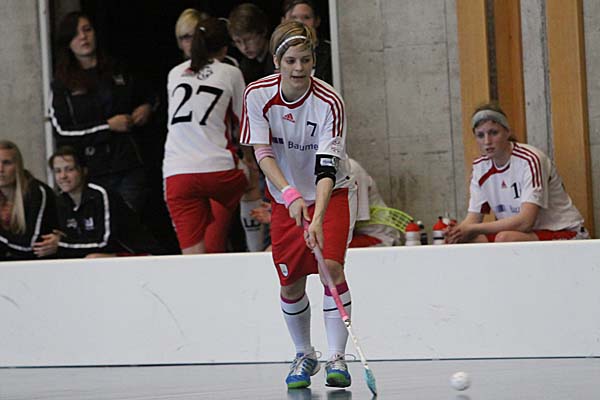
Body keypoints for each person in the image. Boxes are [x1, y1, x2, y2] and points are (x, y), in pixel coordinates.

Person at [241, 20, 357, 389]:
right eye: (291, 60)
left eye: (306, 60)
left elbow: (327, 167)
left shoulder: (329, 102)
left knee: (330, 268)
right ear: (277, 61)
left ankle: (337, 357)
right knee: (290, 283)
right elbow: (262, 152)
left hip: (331, 193)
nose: (299, 68)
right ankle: (305, 354)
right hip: (284, 198)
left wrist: (317, 216)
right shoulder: (257, 95)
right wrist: (288, 193)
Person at [164, 17, 260, 254]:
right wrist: (249, 159)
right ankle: (256, 252)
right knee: (251, 183)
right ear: (225, 48)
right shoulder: (230, 72)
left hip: (176, 174)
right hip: (218, 168)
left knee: (192, 256)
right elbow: (244, 123)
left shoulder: (174, 73)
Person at [49, 11, 156, 213]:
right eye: (75, 34)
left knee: (128, 221)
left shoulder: (118, 68)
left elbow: (151, 95)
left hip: (128, 163)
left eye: (87, 30)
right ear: (67, 42)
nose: (83, 37)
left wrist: (146, 108)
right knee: (102, 223)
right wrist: (107, 127)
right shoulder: (62, 83)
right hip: (91, 169)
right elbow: (62, 131)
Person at [446, 103, 590, 244]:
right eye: (480, 135)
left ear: (507, 132)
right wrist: (457, 232)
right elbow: (473, 219)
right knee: (465, 241)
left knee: (505, 238)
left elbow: (525, 222)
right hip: (523, 235)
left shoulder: (530, 159)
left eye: (494, 133)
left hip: (565, 232)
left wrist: (472, 229)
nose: (487, 141)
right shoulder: (480, 168)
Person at [250, 158, 401, 248]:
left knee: (313, 249)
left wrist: (285, 220)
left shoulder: (351, 170)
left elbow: (347, 223)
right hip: (339, 233)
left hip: (375, 238)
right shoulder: (310, 172)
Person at [50, 146, 164, 258]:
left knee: (93, 258)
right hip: (107, 256)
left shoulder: (100, 194)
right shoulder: (60, 201)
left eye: (69, 169)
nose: (63, 176)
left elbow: (104, 243)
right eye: (57, 171)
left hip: (140, 255)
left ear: (84, 170)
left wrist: (63, 244)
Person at [0, 140, 59, 260]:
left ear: (18, 166)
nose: (0, 169)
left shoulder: (37, 192)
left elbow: (30, 246)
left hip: (39, 263)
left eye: (7, 163)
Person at [281, 0, 332, 84]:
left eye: (306, 17)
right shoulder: (277, 51)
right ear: (283, 21)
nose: (300, 22)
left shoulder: (330, 52)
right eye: (293, 18)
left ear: (317, 21)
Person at [228, 3, 274, 84]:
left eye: (248, 39)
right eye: (238, 42)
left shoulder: (280, 59)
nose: (244, 47)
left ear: (263, 31)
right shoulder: (245, 66)